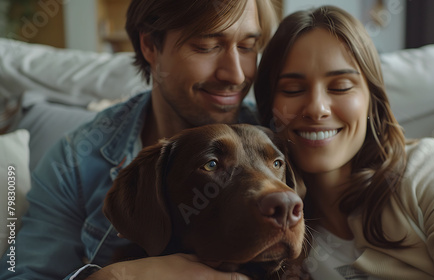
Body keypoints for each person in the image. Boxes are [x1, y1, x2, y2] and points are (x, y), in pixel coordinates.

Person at [0, 0, 277, 279]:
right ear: (149, 46)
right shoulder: (75, 161)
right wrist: (119, 276)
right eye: (206, 46)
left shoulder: (281, 140)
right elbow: (23, 274)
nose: (236, 74)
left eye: (247, 47)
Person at [254, 5, 434, 279]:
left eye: (341, 86)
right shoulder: (270, 215)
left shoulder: (427, 167)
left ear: (373, 102)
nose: (316, 108)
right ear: (268, 106)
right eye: (293, 89)